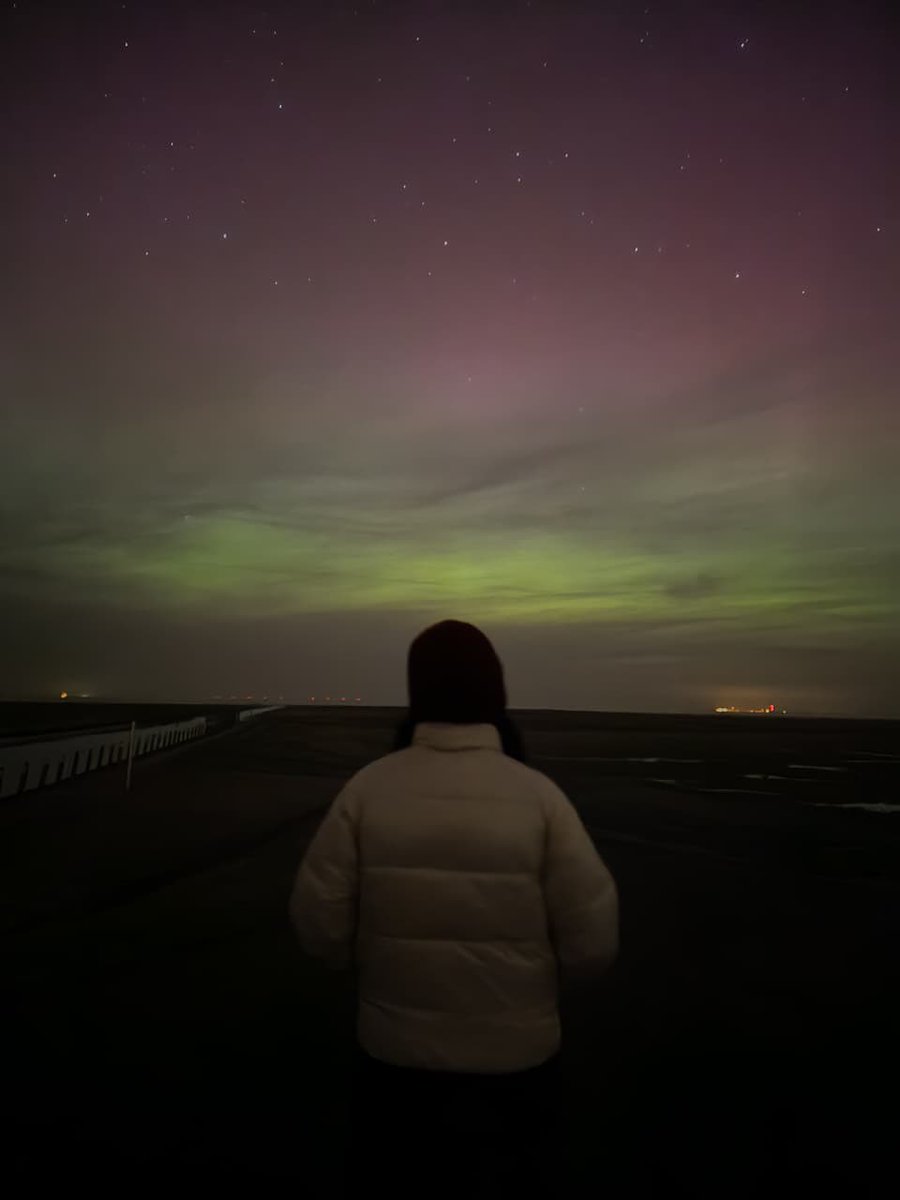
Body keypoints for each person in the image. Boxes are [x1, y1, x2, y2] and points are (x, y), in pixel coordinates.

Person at [288, 619, 619, 1197]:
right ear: (496, 692)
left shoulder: (368, 789)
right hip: (518, 1070)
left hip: (393, 1065)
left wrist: (361, 968)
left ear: (418, 691)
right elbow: (593, 940)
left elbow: (318, 924)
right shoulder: (539, 797)